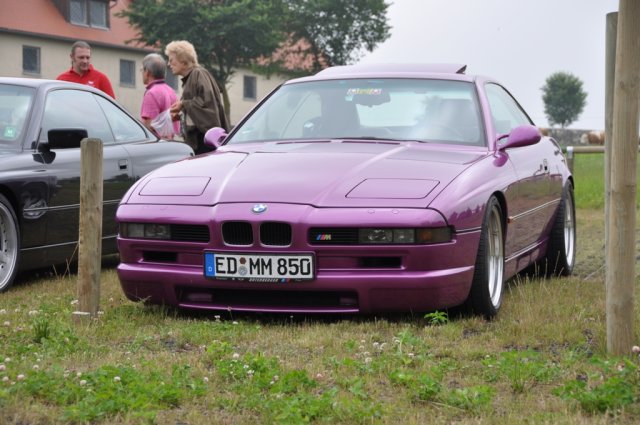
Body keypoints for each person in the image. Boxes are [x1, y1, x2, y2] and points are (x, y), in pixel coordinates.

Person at [165, 40, 229, 154]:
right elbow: (199, 109)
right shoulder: (192, 77)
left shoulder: (198, 74)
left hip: (204, 143)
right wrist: (182, 115)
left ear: (183, 60)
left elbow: (207, 103)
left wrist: (183, 104)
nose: (168, 64)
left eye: (171, 60)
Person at [140, 53, 180, 140]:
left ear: (147, 72)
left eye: (142, 69)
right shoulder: (171, 91)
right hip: (171, 142)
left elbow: (149, 126)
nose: (141, 73)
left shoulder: (151, 93)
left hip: (156, 143)